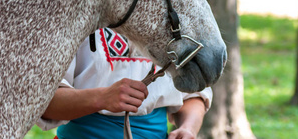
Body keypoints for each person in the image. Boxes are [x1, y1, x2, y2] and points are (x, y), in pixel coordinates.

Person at [36, 28, 212, 139]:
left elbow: (192, 95)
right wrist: (101, 98)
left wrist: (188, 128)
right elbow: (43, 104)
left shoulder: (173, 21)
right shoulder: (76, 16)